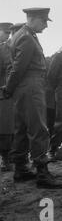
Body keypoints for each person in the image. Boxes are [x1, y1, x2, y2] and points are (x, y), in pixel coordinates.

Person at [1, 8, 62, 188]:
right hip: (31, 86)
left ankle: (20, 169)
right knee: (39, 128)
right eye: (44, 21)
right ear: (33, 19)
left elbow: (14, 67)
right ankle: (43, 174)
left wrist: (10, 89)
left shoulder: (20, 35)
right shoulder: (27, 37)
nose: (46, 25)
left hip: (24, 87)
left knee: (21, 128)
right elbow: (18, 68)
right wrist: (9, 88)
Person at [0, 23, 14, 172]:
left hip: (2, 94)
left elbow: (10, 69)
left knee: (4, 128)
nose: (7, 36)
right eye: (4, 32)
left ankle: (5, 158)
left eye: (9, 33)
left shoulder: (5, 49)